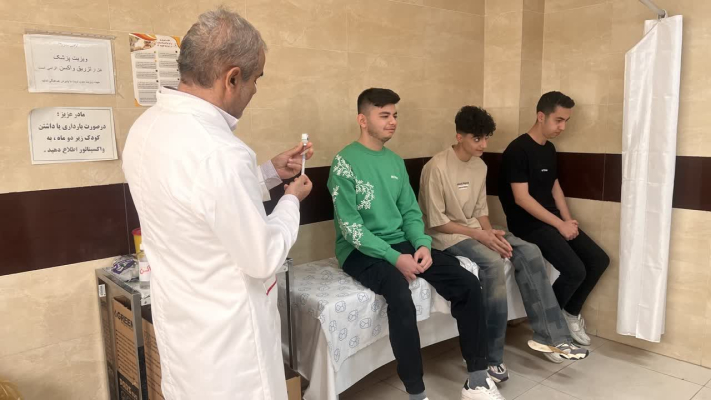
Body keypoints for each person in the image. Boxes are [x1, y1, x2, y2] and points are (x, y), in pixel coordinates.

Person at [122, 8, 314, 400]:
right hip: (232, 349)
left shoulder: (147, 128)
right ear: (232, 78)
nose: (255, 90)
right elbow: (262, 256)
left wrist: (270, 172)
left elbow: (200, 201)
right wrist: (291, 200)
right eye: (256, 79)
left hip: (185, 333)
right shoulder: (220, 152)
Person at [327, 88, 504, 400]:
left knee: (466, 282)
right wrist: (394, 258)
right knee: (399, 293)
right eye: (384, 115)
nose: (393, 121)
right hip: (358, 251)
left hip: (401, 242)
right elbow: (351, 228)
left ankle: (477, 379)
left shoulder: (395, 162)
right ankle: (416, 392)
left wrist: (422, 244)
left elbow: (410, 212)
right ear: (362, 120)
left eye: (395, 115)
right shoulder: (344, 163)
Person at [418, 106, 589, 378]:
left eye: (486, 138)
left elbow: (480, 211)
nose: (484, 145)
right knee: (492, 262)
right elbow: (437, 222)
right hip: (445, 236)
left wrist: (491, 234)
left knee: (529, 251)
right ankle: (490, 355)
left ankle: (551, 337)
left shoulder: (480, 165)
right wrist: (482, 237)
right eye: (477, 139)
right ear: (459, 136)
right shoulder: (436, 167)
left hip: (476, 229)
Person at [498, 91, 610, 346]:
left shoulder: (549, 149)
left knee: (599, 260)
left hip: (552, 221)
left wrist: (568, 222)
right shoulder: (517, 150)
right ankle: (550, 326)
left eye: (566, 121)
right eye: (558, 120)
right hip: (527, 224)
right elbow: (521, 199)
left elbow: (554, 187)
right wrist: (559, 224)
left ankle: (568, 313)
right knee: (575, 270)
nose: (563, 127)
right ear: (541, 116)